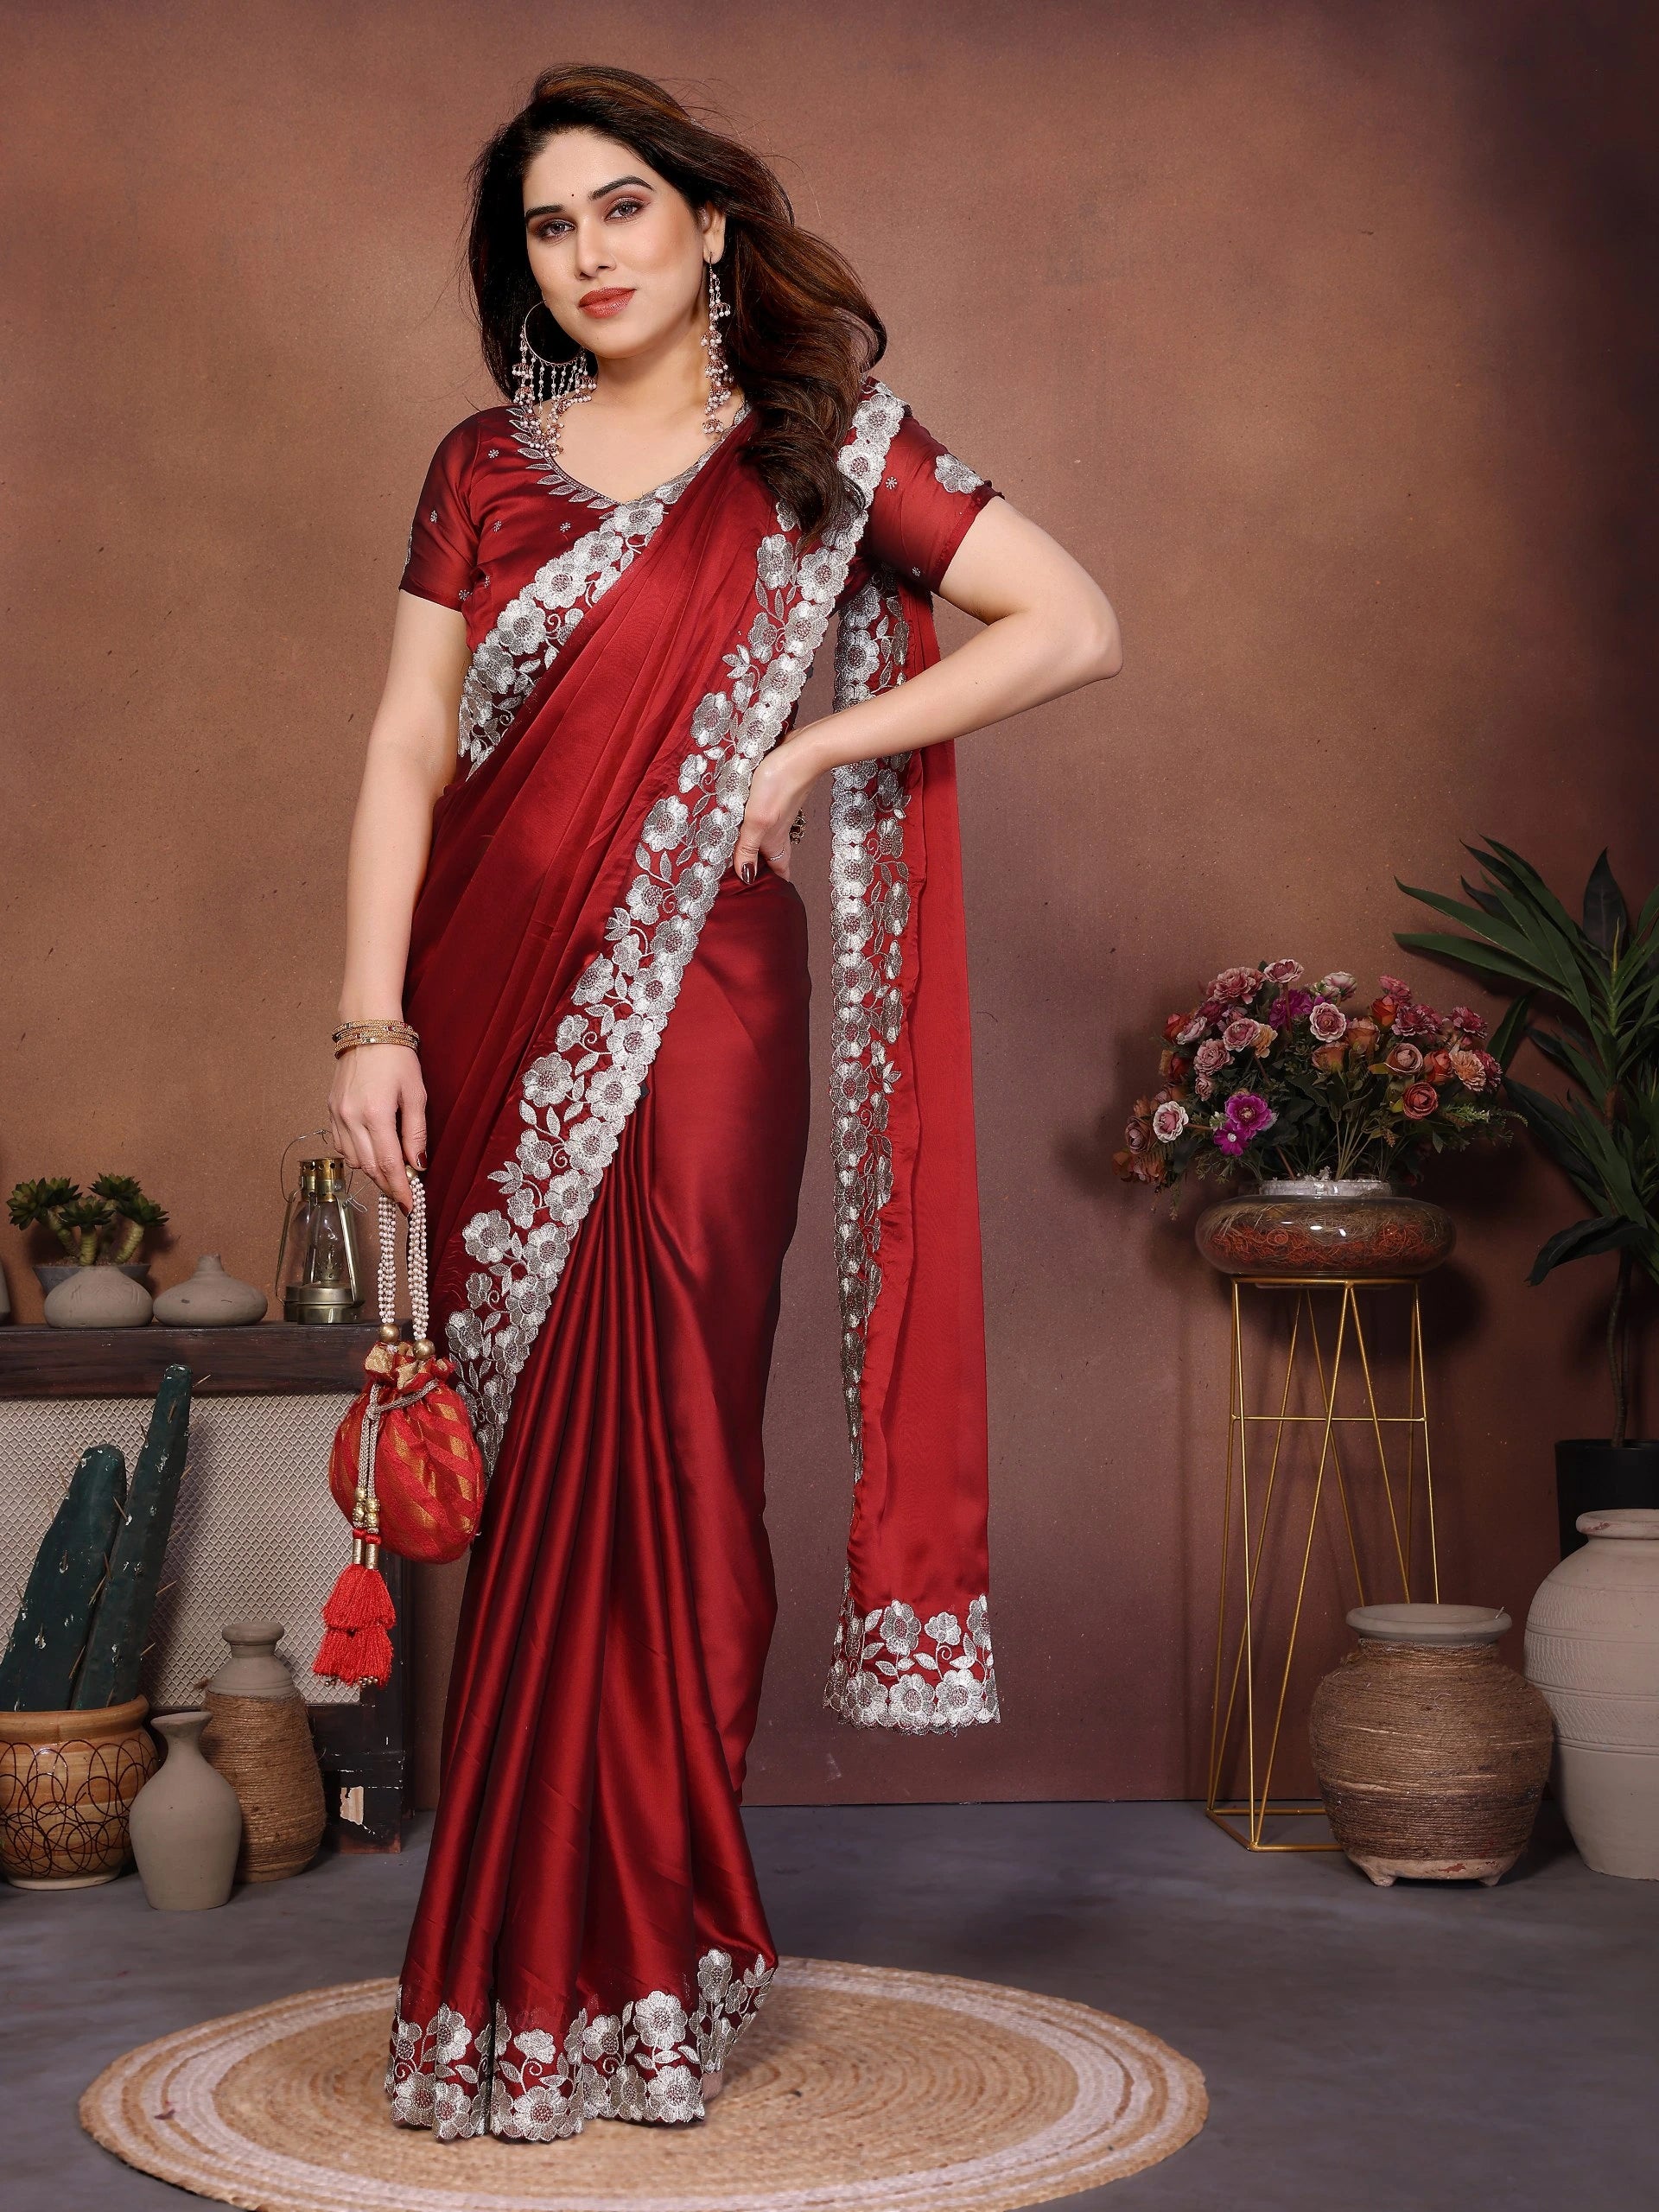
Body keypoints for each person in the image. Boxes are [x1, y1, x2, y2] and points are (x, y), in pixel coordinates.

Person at [328, 62, 1122, 2143]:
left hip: (709, 1002)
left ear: (706, 223)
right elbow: (409, 740)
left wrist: (815, 747)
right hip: (485, 996)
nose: (588, 254)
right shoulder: (480, 468)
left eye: (622, 209)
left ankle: (651, 1945)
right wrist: (366, 1020)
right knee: (536, 1479)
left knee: (671, 1449)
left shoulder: (821, 450)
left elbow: (1074, 620)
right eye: (548, 227)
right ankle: (523, 1966)